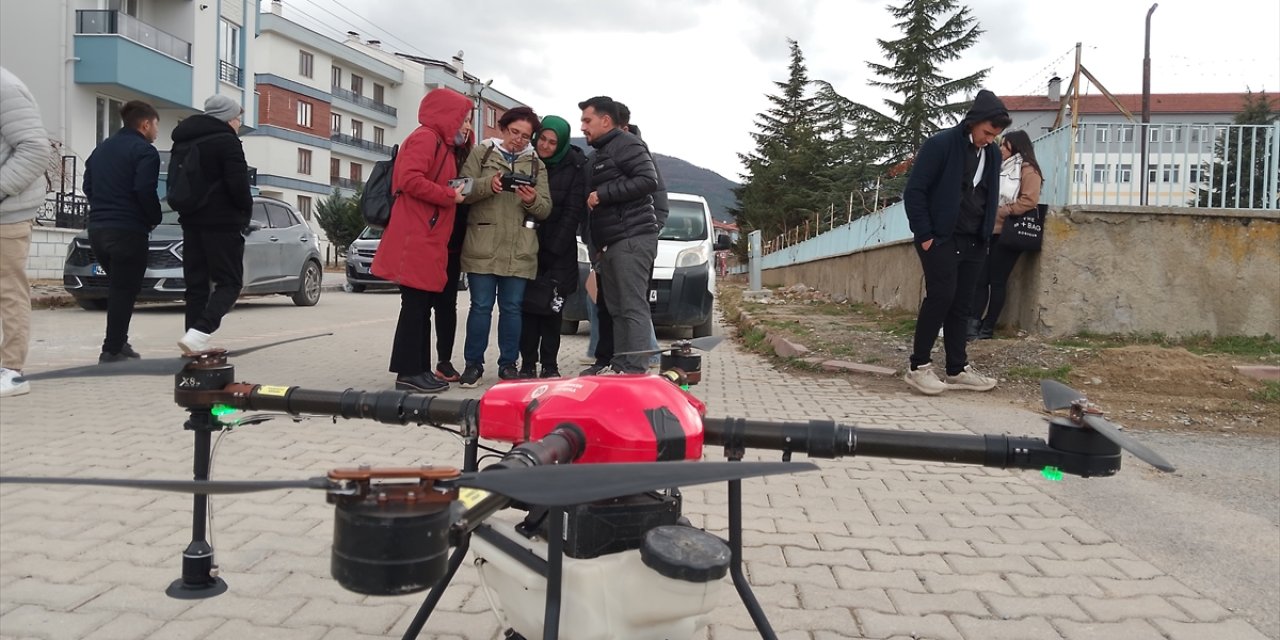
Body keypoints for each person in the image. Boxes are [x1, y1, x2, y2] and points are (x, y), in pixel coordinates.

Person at [901, 89, 1011, 395]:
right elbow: (914, 192)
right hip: (941, 238)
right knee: (941, 297)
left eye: (996, 135)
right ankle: (918, 366)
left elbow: (988, 195)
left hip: (975, 239)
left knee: (963, 304)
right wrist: (925, 236)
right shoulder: (941, 145)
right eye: (987, 132)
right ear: (973, 122)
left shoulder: (990, 153)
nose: (990, 139)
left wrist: (986, 234)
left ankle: (956, 369)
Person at [371, 87, 472, 393]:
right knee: (415, 306)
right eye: (463, 119)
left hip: (426, 236)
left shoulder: (443, 145)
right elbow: (409, 179)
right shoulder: (425, 137)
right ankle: (408, 372)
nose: (466, 126)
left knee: (420, 305)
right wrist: (449, 195)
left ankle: (417, 369)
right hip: (415, 235)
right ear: (447, 116)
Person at [457, 106, 551, 387]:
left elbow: (545, 208)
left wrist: (531, 198)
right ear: (502, 128)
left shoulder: (536, 164)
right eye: (515, 132)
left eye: (526, 136)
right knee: (481, 307)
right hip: (482, 244)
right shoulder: (482, 153)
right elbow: (460, 188)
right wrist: (489, 184)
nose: (519, 140)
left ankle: (508, 365)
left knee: (512, 308)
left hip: (519, 248)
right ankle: (473, 365)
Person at [578, 95, 660, 374]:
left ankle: (636, 370)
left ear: (606, 120)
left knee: (632, 306)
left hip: (632, 238)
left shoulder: (627, 144)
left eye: (587, 120)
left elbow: (648, 180)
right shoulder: (602, 152)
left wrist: (602, 194)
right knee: (617, 308)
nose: (582, 127)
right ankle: (623, 365)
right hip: (611, 243)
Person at [170, 95, 254, 354]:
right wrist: (244, 213)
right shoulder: (227, 141)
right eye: (239, 118)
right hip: (222, 222)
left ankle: (193, 343)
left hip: (191, 221)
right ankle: (200, 332)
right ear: (229, 118)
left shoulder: (183, 140)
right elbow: (238, 184)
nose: (239, 124)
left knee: (196, 285)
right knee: (229, 283)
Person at [83, 100, 162, 363]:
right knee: (124, 289)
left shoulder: (101, 150)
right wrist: (153, 217)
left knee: (119, 288)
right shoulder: (145, 152)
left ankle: (119, 342)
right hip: (128, 230)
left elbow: (88, 186)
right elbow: (144, 190)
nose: (156, 132)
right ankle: (113, 349)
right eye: (156, 126)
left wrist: (103, 209)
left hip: (98, 229)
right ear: (146, 123)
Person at [518, 115, 587, 378]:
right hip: (526, 246)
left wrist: (551, 250)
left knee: (552, 311)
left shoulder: (575, 167)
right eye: (543, 139)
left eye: (552, 142)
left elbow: (572, 212)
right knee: (527, 309)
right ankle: (526, 364)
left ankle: (549, 365)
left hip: (559, 252)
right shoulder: (527, 161)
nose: (546, 146)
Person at [0, 66, 50, 397]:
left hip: (7, 214)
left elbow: (36, 149)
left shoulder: (5, 88)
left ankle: (11, 371)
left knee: (7, 291)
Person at [968, 130, 1043, 341]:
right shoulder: (1000, 168)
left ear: (1016, 147)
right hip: (989, 231)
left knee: (997, 280)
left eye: (1005, 145)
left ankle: (988, 327)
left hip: (1009, 233)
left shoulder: (1028, 170)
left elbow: (1029, 200)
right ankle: (972, 324)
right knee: (981, 278)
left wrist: (1002, 211)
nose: (1000, 149)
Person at [431, 132, 474, 384]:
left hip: (454, 245)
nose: (467, 126)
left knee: (447, 305)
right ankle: (416, 364)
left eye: (469, 119)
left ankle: (443, 362)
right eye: (463, 119)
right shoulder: (436, 149)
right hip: (431, 240)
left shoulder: (469, 155)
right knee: (422, 305)